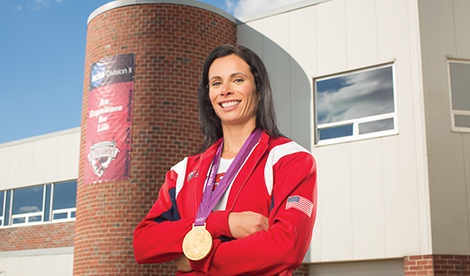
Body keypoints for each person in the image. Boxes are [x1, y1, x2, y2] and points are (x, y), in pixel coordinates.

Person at [133, 44, 317, 276]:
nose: (225, 90)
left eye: (237, 80)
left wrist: (199, 259)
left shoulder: (291, 159)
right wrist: (222, 223)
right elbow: (143, 243)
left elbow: (288, 247)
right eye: (216, 83)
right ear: (208, 95)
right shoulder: (183, 171)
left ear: (259, 90)